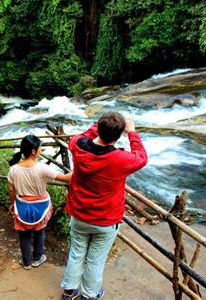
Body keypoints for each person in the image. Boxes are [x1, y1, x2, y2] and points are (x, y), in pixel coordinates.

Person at [61, 112, 148, 300]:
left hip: (79, 214)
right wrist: (132, 132)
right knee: (95, 260)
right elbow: (141, 157)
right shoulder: (120, 159)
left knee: (76, 253)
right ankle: (89, 295)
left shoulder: (77, 145)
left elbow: (84, 135)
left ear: (98, 129)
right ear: (119, 136)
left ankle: (69, 291)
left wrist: (100, 125)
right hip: (106, 220)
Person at [8, 135, 72, 270]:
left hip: (22, 205)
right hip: (40, 207)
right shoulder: (42, 168)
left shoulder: (14, 169)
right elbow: (66, 178)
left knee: (24, 234)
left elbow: (11, 189)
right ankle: (37, 258)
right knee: (39, 232)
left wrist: (12, 204)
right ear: (33, 151)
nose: (41, 150)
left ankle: (26, 262)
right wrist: (85, 167)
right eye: (40, 148)